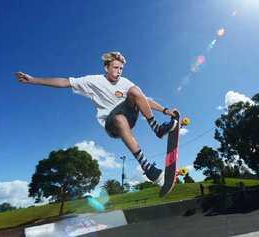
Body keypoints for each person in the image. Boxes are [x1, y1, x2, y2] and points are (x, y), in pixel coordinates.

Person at [15, 51, 177, 185]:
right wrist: (34, 80)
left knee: (135, 90)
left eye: (121, 68)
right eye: (115, 68)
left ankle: (157, 129)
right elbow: (65, 82)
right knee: (119, 118)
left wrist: (164, 110)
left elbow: (144, 99)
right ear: (106, 67)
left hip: (130, 116)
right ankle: (147, 167)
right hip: (112, 123)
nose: (119, 72)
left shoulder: (125, 82)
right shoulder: (93, 81)